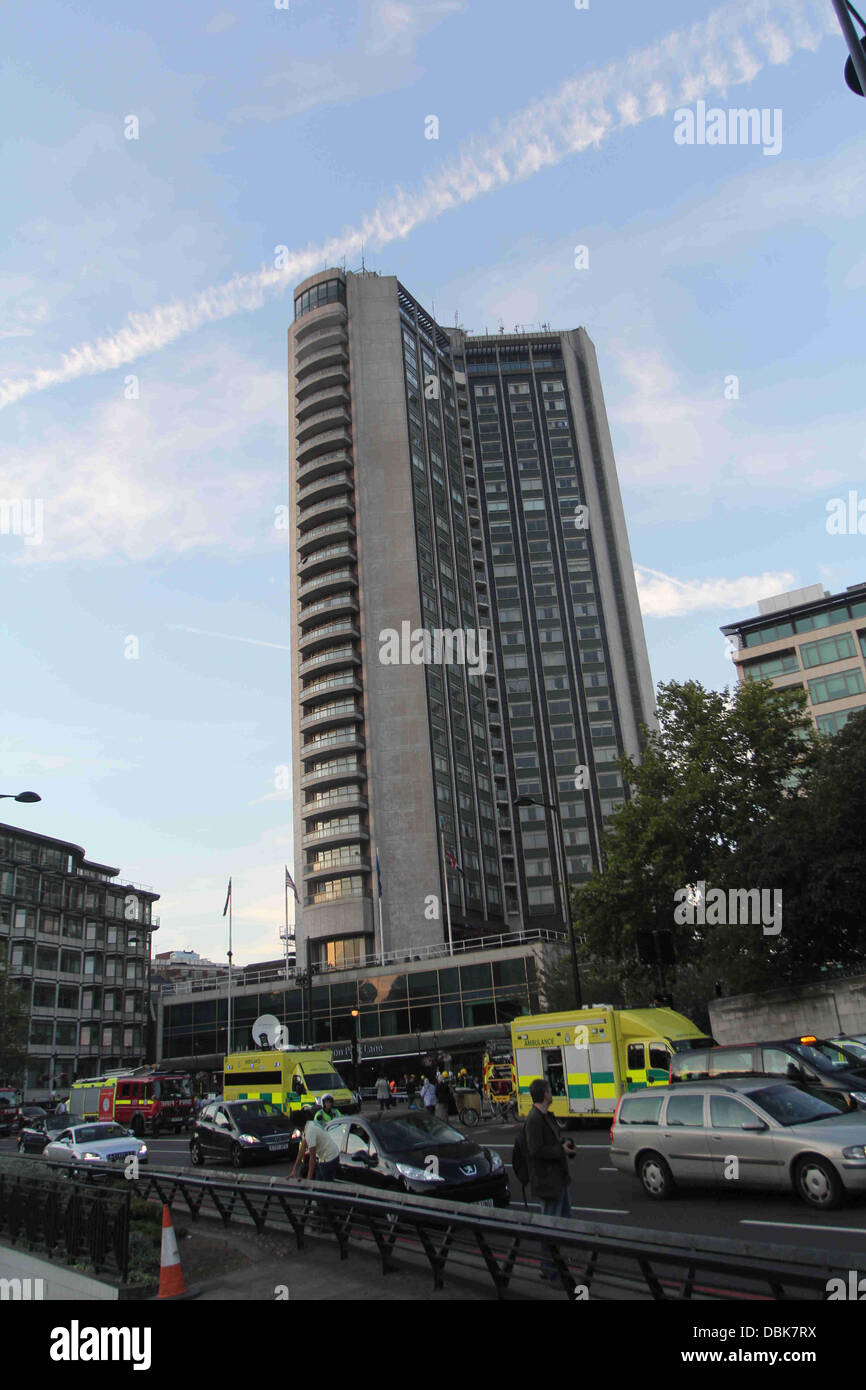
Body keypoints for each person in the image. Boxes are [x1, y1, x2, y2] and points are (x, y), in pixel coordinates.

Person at [525, 1078, 576, 1281]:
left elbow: (553, 1141)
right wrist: (559, 1150)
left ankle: (552, 1265)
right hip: (547, 1182)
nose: (551, 1093)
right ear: (545, 1094)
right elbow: (535, 1149)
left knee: (563, 1222)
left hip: (559, 1179)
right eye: (549, 1090)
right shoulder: (534, 1118)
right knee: (551, 1226)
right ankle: (550, 1268)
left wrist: (565, 1145)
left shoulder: (546, 1116)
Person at [289, 1106, 341, 1182]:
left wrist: (308, 1180)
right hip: (324, 1158)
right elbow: (302, 1150)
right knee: (318, 1185)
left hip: (329, 1158)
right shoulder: (308, 1125)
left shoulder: (310, 1131)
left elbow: (312, 1158)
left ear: (297, 1125)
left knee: (325, 1187)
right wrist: (294, 1170)